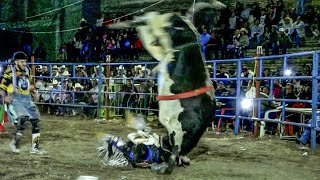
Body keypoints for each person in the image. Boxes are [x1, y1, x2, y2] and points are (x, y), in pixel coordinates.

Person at [0, 51, 46, 155]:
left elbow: (27, 86)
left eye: (25, 61)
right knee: (24, 118)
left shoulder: (27, 70)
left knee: (36, 121)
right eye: (22, 62)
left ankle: (35, 148)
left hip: (27, 99)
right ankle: (15, 142)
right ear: (16, 62)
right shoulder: (9, 72)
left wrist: (35, 91)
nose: (24, 63)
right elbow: (2, 87)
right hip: (16, 99)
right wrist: (5, 97)